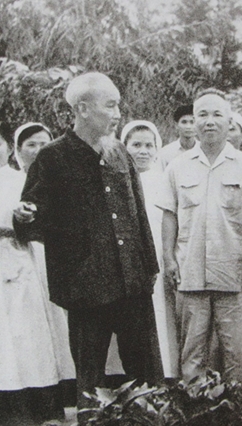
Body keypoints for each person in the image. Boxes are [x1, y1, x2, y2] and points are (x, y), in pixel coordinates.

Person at [13, 72, 163, 421]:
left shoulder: (119, 152)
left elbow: (139, 214)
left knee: (147, 377)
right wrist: (24, 217)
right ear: (82, 108)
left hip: (133, 284)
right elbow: (34, 218)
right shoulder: (52, 157)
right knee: (91, 382)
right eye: (110, 105)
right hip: (85, 289)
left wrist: (149, 268)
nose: (117, 113)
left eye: (118, 105)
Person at [158, 92, 242, 386]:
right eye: (203, 115)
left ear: (229, 120)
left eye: (217, 115)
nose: (210, 122)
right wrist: (169, 259)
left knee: (236, 353)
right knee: (192, 352)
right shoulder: (177, 166)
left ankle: (238, 410)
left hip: (233, 273)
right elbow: (169, 215)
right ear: (193, 122)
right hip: (190, 272)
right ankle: (194, 408)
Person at [0, 123, 74, 425]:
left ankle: (37, 405)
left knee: (26, 333)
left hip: (18, 260)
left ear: (7, 147)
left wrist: (23, 216)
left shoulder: (21, 179)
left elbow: (36, 216)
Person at [120, 120, 179, 379]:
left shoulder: (165, 180)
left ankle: (166, 371)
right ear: (124, 147)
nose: (143, 151)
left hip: (160, 255)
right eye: (136, 145)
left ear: (158, 149)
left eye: (148, 145)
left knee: (162, 313)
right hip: (127, 262)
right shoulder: (117, 179)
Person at [156, 104, 195, 170]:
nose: (188, 126)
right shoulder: (165, 152)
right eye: (184, 122)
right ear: (176, 125)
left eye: (192, 122)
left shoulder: (204, 150)